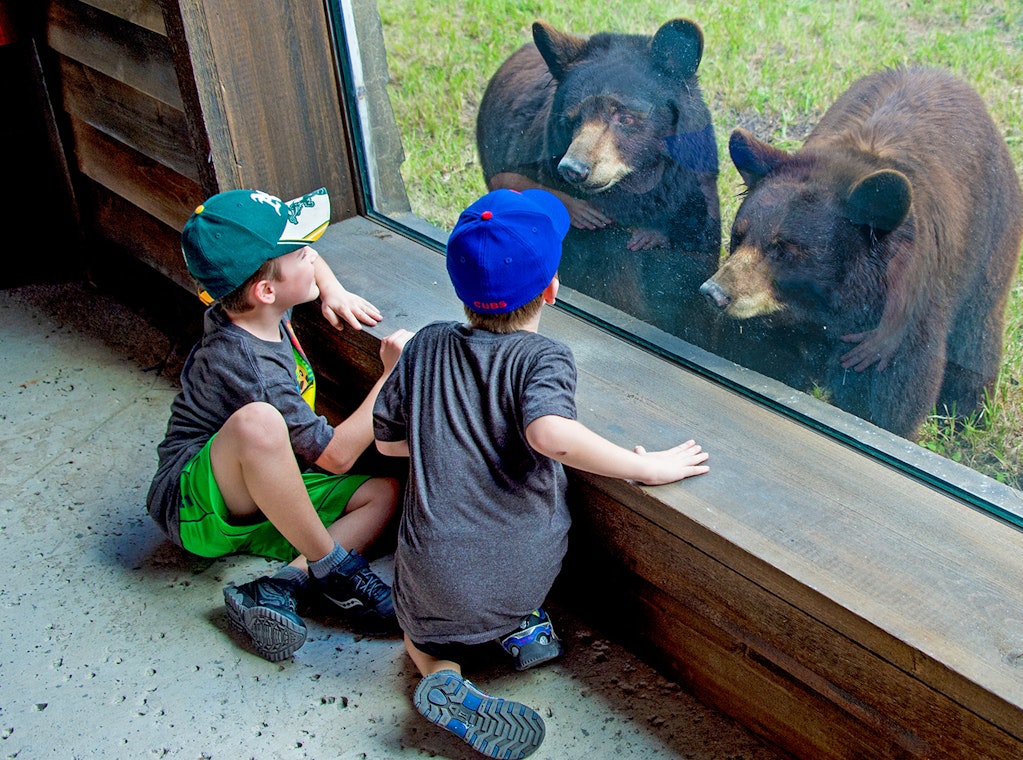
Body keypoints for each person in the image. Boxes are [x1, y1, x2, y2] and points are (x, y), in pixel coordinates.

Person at [373, 188, 710, 758]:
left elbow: (388, 445)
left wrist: (399, 371)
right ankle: (523, 626)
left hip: (432, 575)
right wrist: (643, 466)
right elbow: (549, 434)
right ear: (551, 291)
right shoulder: (543, 357)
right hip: (524, 571)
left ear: (460, 288)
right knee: (521, 545)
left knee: (416, 629)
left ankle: (444, 675)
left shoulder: (426, 344)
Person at [145, 187, 411, 663]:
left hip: (266, 490)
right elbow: (335, 456)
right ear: (267, 289)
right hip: (194, 502)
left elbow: (300, 266)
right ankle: (331, 567)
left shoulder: (253, 303)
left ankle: (277, 587)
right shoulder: (246, 360)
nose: (314, 256)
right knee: (260, 422)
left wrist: (331, 288)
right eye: (303, 252)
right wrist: (392, 377)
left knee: (385, 494)